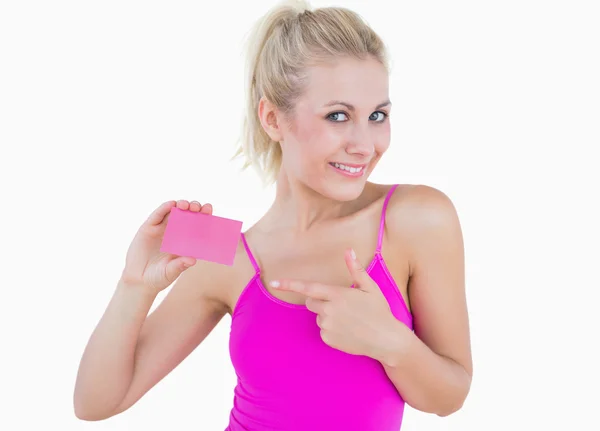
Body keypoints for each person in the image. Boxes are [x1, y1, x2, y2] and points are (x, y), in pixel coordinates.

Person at [73, 1, 473, 429]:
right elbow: (96, 403)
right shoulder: (223, 250)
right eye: (338, 116)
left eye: (378, 115)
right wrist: (135, 285)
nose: (364, 144)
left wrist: (391, 342)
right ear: (272, 118)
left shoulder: (415, 218)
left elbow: (448, 397)